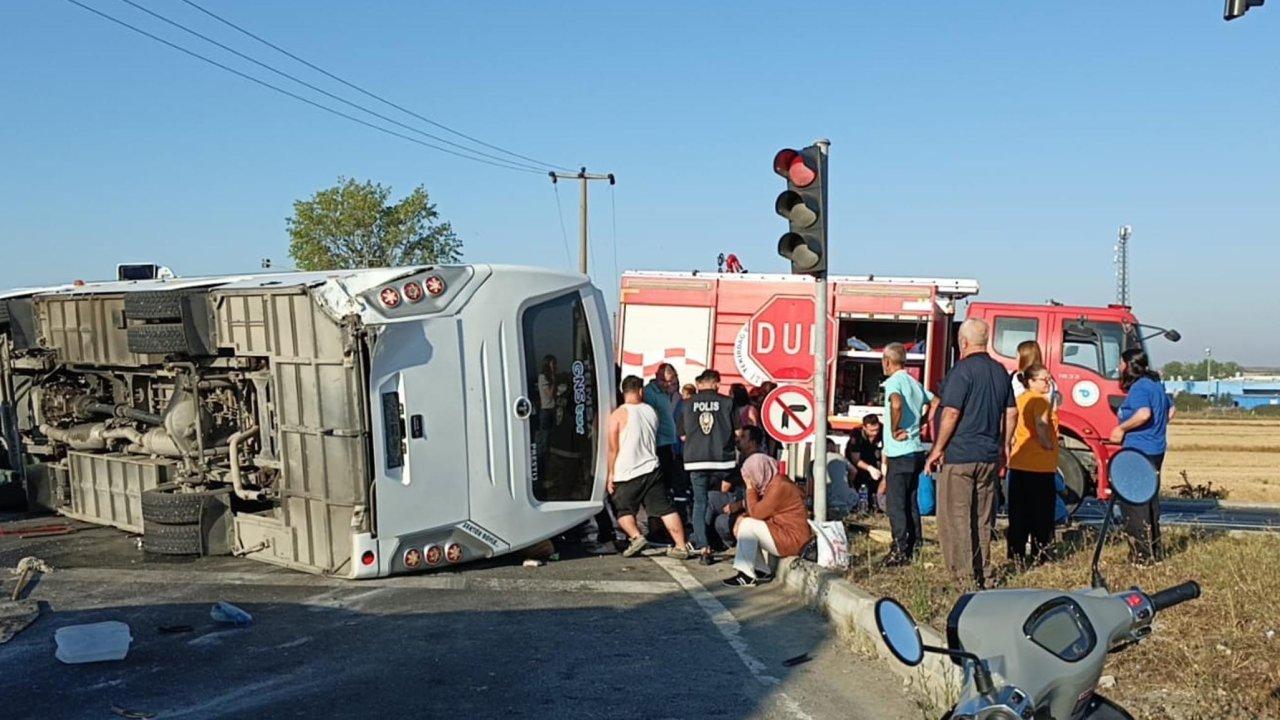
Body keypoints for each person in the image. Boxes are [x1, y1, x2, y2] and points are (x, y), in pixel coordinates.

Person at [925, 319, 1016, 589]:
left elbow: (951, 411)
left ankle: (962, 579)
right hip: (988, 455)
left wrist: (937, 449)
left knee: (956, 517)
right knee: (982, 517)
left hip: (960, 455)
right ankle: (983, 573)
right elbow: (1011, 412)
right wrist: (1004, 445)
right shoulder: (1000, 372)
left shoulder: (961, 371)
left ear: (962, 343)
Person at [608, 375, 694, 559]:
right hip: (651, 469)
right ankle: (680, 546)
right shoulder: (651, 411)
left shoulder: (617, 415)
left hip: (626, 471)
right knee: (666, 509)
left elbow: (613, 449)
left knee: (623, 510)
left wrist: (610, 474)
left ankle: (636, 536)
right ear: (640, 391)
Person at [1109, 348, 1173, 565]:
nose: (1119, 367)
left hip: (1138, 450)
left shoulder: (1139, 388)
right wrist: (1158, 427)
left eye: (1120, 363)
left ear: (1128, 365)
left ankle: (1141, 556)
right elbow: (1171, 410)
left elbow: (1143, 413)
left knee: (1134, 504)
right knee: (1150, 501)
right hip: (1156, 449)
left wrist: (1122, 429)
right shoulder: (1156, 384)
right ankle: (1155, 550)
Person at [722, 454, 813, 588]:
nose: (750, 480)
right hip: (785, 531)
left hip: (794, 539)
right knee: (747, 524)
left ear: (760, 471)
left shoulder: (779, 486)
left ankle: (746, 575)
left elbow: (756, 513)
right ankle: (760, 570)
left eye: (751, 476)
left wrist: (750, 488)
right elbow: (762, 511)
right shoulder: (774, 483)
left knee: (748, 525)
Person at [881, 343, 934, 564]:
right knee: (911, 501)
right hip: (916, 449)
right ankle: (915, 544)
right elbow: (936, 402)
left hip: (899, 451)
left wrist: (894, 429)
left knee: (896, 503)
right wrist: (921, 422)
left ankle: (899, 550)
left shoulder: (894, 382)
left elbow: (895, 403)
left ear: (887, 361)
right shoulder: (914, 382)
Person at [681, 369, 739, 563]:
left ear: (700, 383)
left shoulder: (687, 404)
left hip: (696, 461)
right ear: (716, 383)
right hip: (723, 461)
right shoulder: (728, 403)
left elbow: (682, 436)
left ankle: (704, 547)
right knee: (717, 499)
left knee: (700, 503)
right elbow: (738, 432)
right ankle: (721, 536)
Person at [1006, 363, 1059, 565]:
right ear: (1030, 381)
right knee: (1041, 515)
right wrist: (1047, 444)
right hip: (1039, 465)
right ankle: (1040, 554)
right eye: (1044, 379)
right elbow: (1040, 424)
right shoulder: (1039, 401)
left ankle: (1016, 554)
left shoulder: (1020, 399)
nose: (1048, 383)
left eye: (1049, 378)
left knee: (1019, 514)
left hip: (1019, 461)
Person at [706, 425, 763, 552]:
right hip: (738, 497)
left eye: (743, 437)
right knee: (710, 499)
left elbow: (760, 495)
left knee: (721, 521)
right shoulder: (744, 458)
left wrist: (739, 505)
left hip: (746, 504)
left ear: (752, 443)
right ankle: (702, 539)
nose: (738, 440)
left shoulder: (757, 462)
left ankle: (707, 541)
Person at [643, 364, 686, 509]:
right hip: (656, 443)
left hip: (669, 444)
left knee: (669, 478)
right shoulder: (650, 393)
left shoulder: (673, 395)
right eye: (664, 381)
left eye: (671, 382)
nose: (668, 384)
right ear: (657, 377)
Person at [807, 438, 857, 520]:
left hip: (825, 504)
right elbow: (854, 471)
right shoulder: (841, 458)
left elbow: (811, 487)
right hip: (846, 503)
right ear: (833, 447)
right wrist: (849, 483)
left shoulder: (814, 462)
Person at [844, 414, 884, 508]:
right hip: (859, 461)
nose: (875, 433)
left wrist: (884, 465)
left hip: (875, 457)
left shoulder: (883, 430)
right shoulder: (856, 434)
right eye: (872, 430)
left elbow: (886, 450)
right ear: (864, 427)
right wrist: (870, 468)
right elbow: (855, 459)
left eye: (877, 430)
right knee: (860, 481)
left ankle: (877, 503)